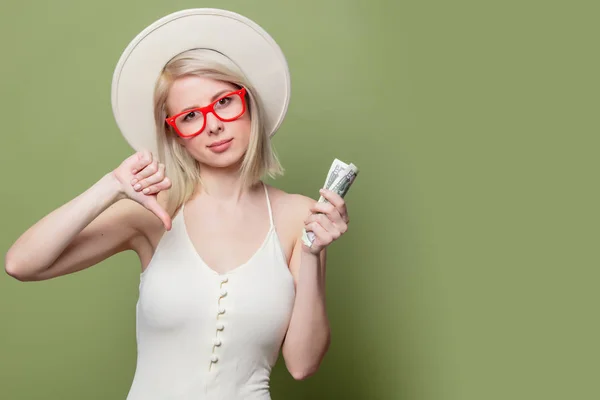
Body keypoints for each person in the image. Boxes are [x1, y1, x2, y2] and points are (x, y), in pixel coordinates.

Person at [4, 8, 350, 399]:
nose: (214, 125)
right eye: (189, 116)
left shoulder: (297, 217)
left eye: (224, 102)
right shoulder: (154, 212)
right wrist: (110, 187)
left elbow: (303, 365)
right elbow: (21, 264)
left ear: (249, 104)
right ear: (176, 135)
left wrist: (312, 252)